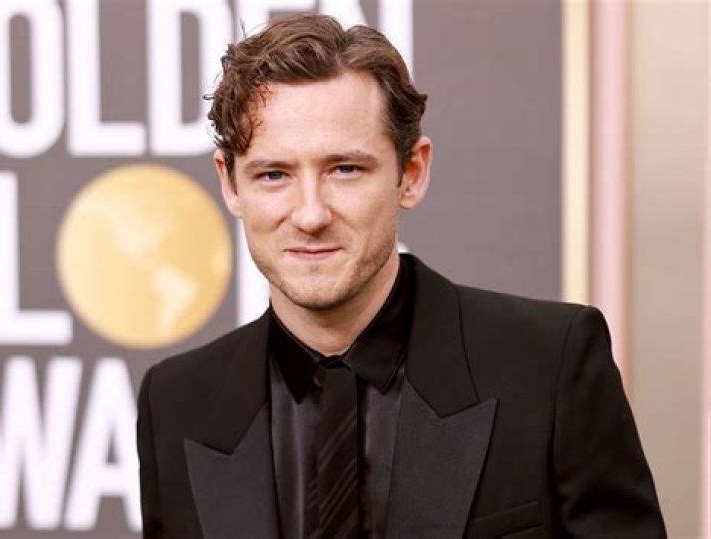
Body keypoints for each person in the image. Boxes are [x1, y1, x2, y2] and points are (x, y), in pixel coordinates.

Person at [136, 13, 665, 539]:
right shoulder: (175, 404)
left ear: (411, 173)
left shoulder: (549, 366)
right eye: (274, 175)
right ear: (231, 185)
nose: (311, 214)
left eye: (345, 169)